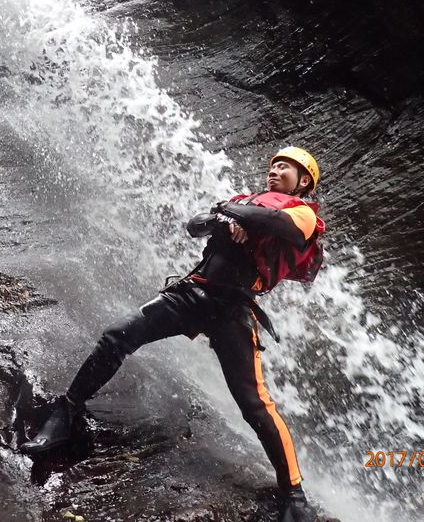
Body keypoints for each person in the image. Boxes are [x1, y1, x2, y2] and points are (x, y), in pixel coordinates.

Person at [20, 147, 334, 522]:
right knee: (116, 336)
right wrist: (222, 217)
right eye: (274, 165)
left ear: (303, 182)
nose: (276, 170)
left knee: (254, 404)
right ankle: (65, 412)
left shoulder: (302, 211)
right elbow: (195, 224)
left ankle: (295, 496)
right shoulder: (241, 201)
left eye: (287, 167)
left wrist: (232, 215)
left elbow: (284, 228)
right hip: (190, 293)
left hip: (232, 311)